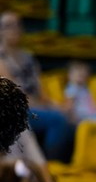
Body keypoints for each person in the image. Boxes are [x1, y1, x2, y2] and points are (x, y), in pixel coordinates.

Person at [0, 11, 74, 162]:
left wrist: (57, 105)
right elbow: (13, 92)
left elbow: (40, 91)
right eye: (8, 25)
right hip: (15, 110)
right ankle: (47, 164)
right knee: (57, 120)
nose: (14, 29)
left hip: (36, 106)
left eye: (17, 25)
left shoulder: (29, 57)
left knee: (71, 118)